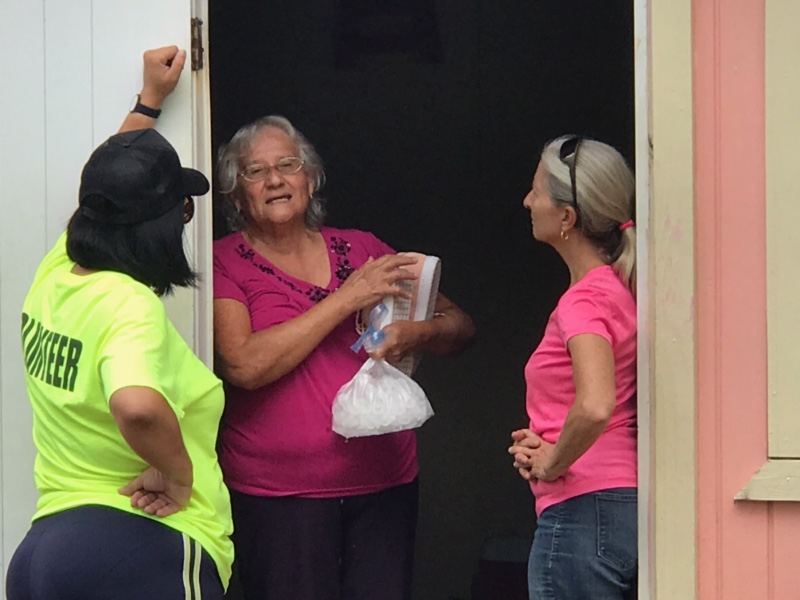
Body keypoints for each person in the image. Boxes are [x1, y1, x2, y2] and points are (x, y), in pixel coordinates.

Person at [211, 117, 475, 600]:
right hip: (279, 497)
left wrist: (415, 333)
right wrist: (346, 298)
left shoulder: (363, 249)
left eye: (288, 165)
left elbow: (460, 327)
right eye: (255, 171)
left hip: (384, 485)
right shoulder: (224, 262)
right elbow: (243, 365)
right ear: (235, 195)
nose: (275, 180)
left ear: (309, 179)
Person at [6, 48, 234, 600]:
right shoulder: (128, 305)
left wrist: (147, 104)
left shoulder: (57, 272)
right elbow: (137, 406)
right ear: (157, 228)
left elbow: (111, 191)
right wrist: (179, 476)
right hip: (139, 546)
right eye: (183, 209)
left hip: (43, 554)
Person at [508, 135, 638, 600]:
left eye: (536, 191)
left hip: (583, 510)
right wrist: (547, 439)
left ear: (567, 217)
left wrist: (551, 462)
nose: (527, 201)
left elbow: (597, 403)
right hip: (619, 505)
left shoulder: (582, 301)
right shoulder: (616, 288)